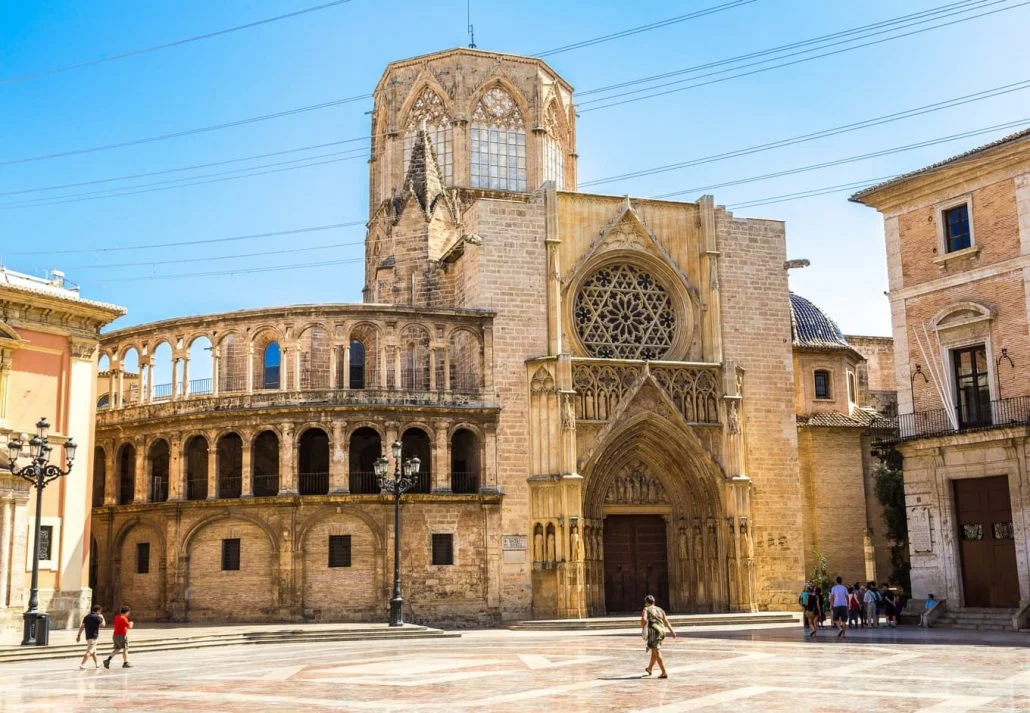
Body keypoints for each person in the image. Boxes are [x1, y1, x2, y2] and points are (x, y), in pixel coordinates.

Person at [641, 594, 675, 678]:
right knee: (654, 650)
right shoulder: (660, 609)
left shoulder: (646, 609)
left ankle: (664, 672)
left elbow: (644, 619)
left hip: (654, 632)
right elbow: (666, 621)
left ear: (646, 602)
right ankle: (649, 668)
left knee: (656, 651)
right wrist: (672, 631)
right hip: (662, 631)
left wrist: (643, 626)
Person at [76, 604, 105, 670]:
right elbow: (103, 625)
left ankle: (97, 663)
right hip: (93, 636)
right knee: (89, 651)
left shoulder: (86, 617)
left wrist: (79, 635)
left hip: (88, 636)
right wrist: (102, 617)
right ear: (98, 611)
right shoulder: (97, 617)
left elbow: (82, 626)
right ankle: (82, 664)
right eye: (100, 611)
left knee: (93, 651)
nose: (100, 613)